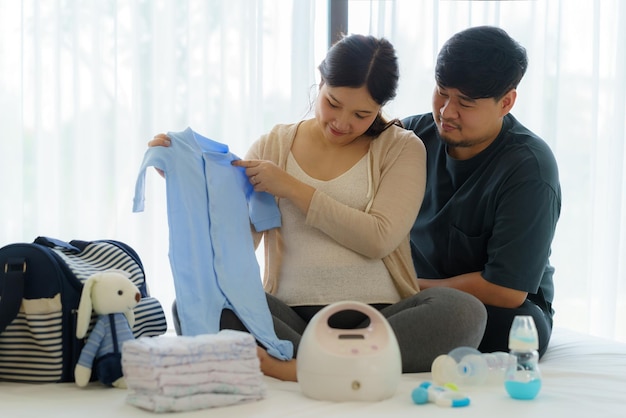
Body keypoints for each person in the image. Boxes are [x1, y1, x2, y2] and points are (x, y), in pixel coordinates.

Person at [150, 34, 487, 381]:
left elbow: (379, 238)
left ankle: (303, 366)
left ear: (381, 108)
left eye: (361, 114)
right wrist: (183, 180)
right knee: (195, 305)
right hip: (292, 319)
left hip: (379, 319)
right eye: (333, 103)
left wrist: (294, 189)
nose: (342, 122)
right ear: (321, 81)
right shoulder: (272, 146)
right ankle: (343, 364)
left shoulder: (402, 148)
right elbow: (232, 243)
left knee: (465, 312)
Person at [403, 26, 561, 358]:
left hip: (497, 307)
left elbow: (507, 290)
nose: (446, 112)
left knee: (517, 328)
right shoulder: (411, 137)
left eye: (465, 102)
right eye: (441, 92)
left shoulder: (529, 168)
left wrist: (404, 290)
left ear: (506, 102)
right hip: (413, 295)